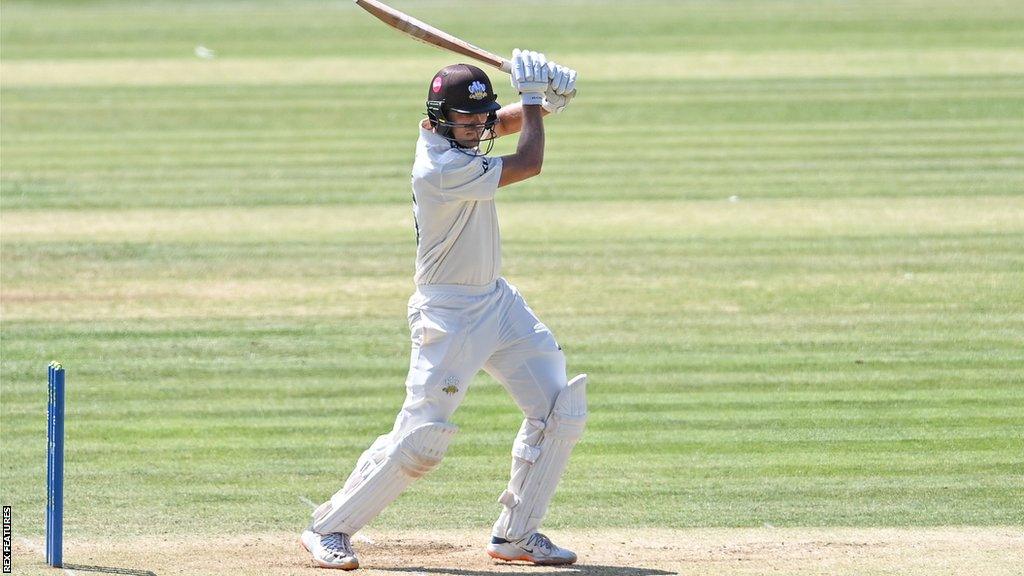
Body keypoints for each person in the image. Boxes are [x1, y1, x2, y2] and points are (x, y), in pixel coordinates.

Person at [301, 49, 583, 570]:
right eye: (465, 120)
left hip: (497, 303)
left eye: (482, 119)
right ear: (437, 120)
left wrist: (546, 106)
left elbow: (502, 121)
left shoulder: (459, 136)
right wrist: (535, 99)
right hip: (448, 314)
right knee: (422, 439)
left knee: (561, 408)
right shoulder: (438, 168)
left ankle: (516, 535)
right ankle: (329, 527)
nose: (477, 128)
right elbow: (529, 163)